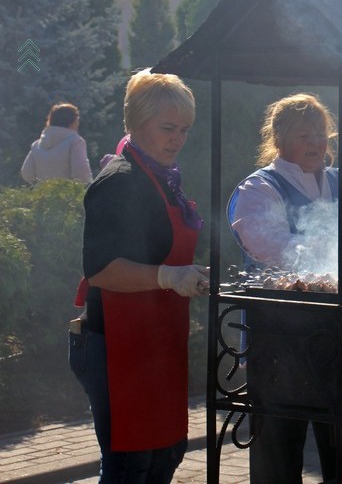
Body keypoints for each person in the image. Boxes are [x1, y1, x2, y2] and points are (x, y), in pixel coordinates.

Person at [228, 93, 342, 483]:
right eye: (304, 135)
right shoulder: (259, 189)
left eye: (321, 134)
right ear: (279, 140)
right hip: (281, 340)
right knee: (278, 453)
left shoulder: (341, 181)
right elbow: (272, 249)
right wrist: (333, 245)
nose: (316, 143)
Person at [70, 68, 209, 483]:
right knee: (131, 467)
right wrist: (169, 277)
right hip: (116, 345)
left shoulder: (165, 181)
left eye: (184, 129)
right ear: (135, 122)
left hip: (157, 342)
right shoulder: (118, 183)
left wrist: (193, 274)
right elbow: (101, 269)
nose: (177, 139)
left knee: (166, 455)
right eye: (168, 128)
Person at [21, 102, 93, 185]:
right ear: (72, 122)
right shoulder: (76, 142)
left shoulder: (36, 145)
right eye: (77, 120)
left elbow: (27, 173)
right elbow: (81, 171)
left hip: (43, 194)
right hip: (70, 195)